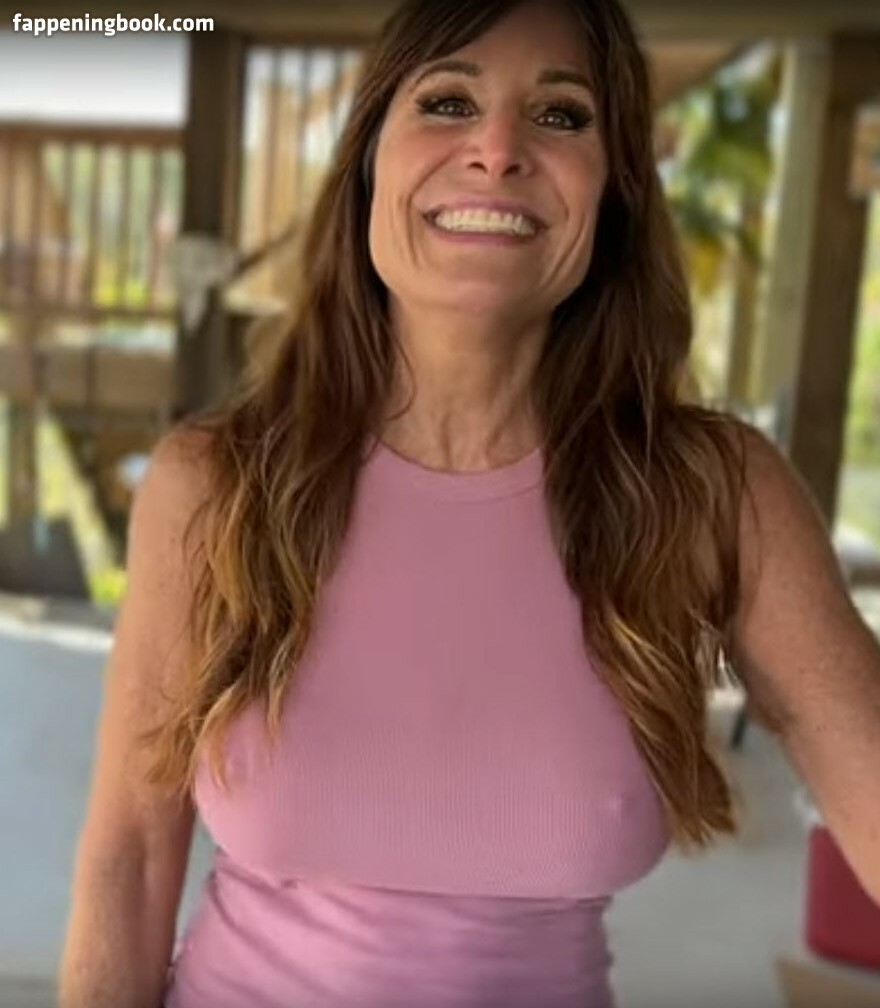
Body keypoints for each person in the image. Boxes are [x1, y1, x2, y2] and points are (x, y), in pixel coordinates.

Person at [59, 0, 880, 1005]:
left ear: (617, 190)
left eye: (561, 114)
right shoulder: (213, 485)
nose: (497, 149)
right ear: (369, 163)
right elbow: (131, 855)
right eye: (447, 101)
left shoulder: (714, 496)